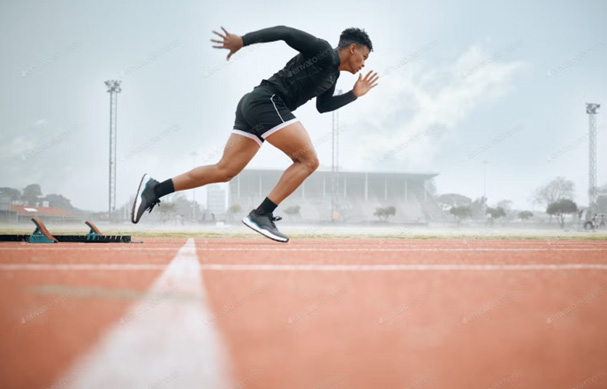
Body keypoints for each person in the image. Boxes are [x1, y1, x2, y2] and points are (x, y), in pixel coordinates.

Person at [131, 25, 378, 242]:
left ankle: (155, 189)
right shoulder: (323, 51)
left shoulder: (332, 75)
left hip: (255, 105)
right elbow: (285, 32)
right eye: (364, 57)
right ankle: (262, 214)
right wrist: (243, 40)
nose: (364, 64)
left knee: (224, 170)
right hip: (267, 102)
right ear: (353, 49)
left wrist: (354, 95)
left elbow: (323, 107)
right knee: (308, 161)